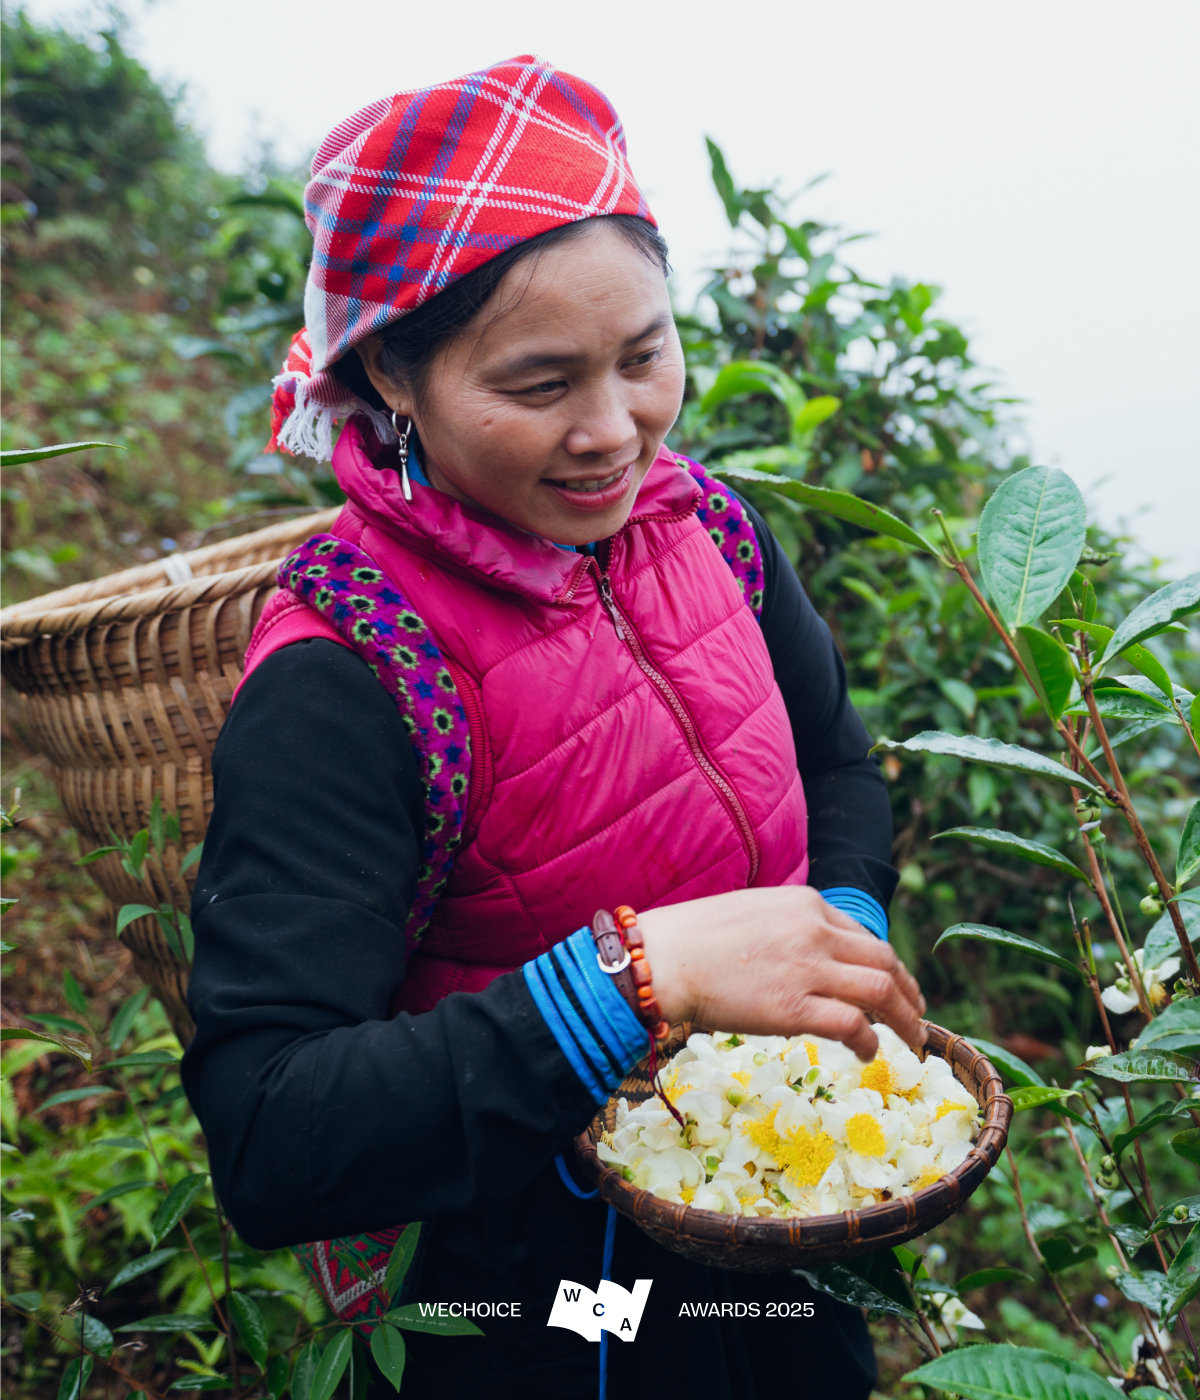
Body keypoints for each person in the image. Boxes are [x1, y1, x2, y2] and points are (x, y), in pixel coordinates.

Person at [182, 54, 925, 1400]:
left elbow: (836, 765)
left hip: (769, 1217)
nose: (611, 432)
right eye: (537, 386)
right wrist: (640, 979)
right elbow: (273, 1135)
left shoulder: (712, 536)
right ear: (395, 373)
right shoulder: (351, 672)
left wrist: (843, 932)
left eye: (644, 357)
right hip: (538, 1295)